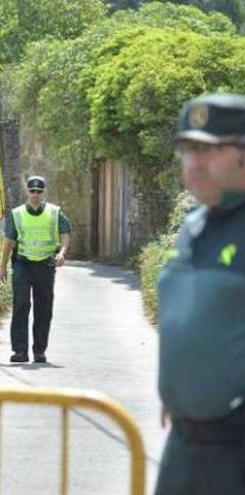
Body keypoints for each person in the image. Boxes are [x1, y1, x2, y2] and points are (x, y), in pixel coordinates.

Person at [155, 94, 245, 494]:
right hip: (186, 444)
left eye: (209, 149)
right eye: (188, 149)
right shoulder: (194, 224)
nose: (194, 162)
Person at [0, 175, 71, 363]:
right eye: (32, 191)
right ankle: (20, 351)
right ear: (27, 192)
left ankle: (39, 351)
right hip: (23, 265)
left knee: (43, 309)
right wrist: (3, 265)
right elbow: (9, 242)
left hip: (45, 266)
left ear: (44, 192)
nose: (36, 195)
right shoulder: (17, 214)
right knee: (21, 305)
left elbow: (65, 235)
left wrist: (62, 253)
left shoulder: (55, 212)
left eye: (39, 192)